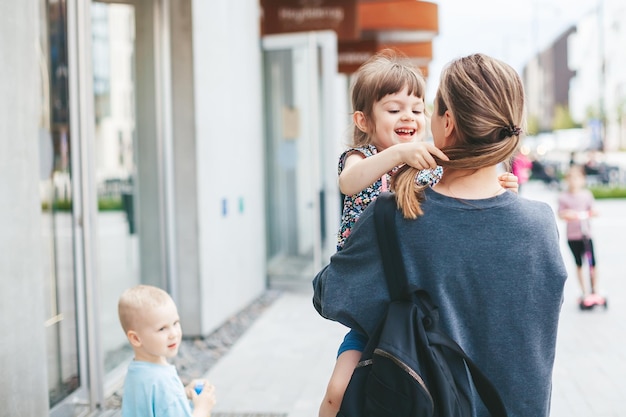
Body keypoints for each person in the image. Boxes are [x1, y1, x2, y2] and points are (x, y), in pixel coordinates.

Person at [313, 53, 567, 417]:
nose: (415, 119)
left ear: (447, 122)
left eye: (424, 109)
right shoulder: (539, 224)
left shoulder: (393, 217)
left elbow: (333, 294)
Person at [118, 284, 216, 417]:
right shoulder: (164, 384)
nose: (173, 334)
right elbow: (166, 397)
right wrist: (202, 409)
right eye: (162, 328)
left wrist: (182, 393)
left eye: (175, 323)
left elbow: (156, 405)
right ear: (136, 338)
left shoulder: (136, 371)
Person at [558, 165, 600, 298]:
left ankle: (594, 289)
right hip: (572, 236)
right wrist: (567, 214)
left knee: (592, 262)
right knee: (579, 263)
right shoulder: (564, 197)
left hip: (586, 234)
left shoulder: (586, 195)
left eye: (577, 178)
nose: (573, 181)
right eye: (570, 178)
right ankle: (584, 291)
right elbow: (560, 213)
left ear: (582, 180)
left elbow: (594, 210)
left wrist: (591, 213)